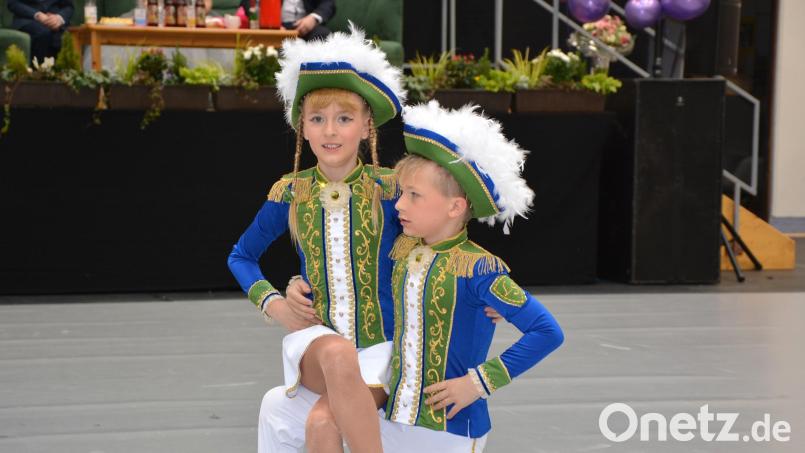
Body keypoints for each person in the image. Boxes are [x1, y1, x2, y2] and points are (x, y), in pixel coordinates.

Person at [305, 101, 564, 452]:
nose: (399, 204)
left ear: (455, 207)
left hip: (451, 431)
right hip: (394, 420)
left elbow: (547, 331)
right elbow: (350, 264)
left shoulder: (479, 268)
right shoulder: (401, 250)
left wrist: (477, 383)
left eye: (413, 196)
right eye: (401, 194)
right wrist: (294, 285)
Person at [227, 26, 404, 453]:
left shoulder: (391, 189)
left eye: (344, 119)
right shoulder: (291, 191)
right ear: (302, 128)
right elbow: (241, 256)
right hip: (316, 343)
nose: (330, 131)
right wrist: (275, 305)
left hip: (383, 346)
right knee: (337, 352)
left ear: (366, 127)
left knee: (324, 421)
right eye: (317, 119)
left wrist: (478, 296)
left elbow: (434, 245)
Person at [6, 0, 74, 62]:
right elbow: (13, 3)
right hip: (28, 18)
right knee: (43, 33)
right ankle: (37, 72)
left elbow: (69, 6)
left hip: (56, 21)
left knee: (66, 36)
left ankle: (62, 74)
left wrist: (59, 18)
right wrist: (37, 15)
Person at [239, 0, 334, 40]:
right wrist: (270, 25)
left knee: (323, 34)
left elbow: (328, 3)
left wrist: (313, 18)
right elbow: (247, 3)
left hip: (306, 26)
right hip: (274, 26)